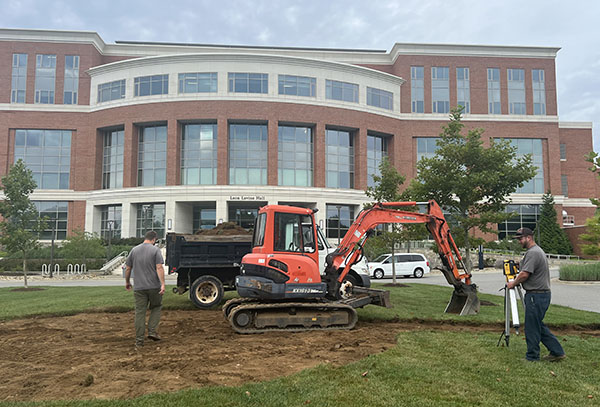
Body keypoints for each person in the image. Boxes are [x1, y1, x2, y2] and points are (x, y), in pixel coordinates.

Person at [507, 227, 565, 362]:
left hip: (536, 296)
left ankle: (532, 356)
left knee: (532, 327)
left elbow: (524, 274)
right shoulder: (534, 252)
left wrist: (513, 283)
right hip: (540, 295)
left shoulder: (533, 253)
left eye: (520, 239)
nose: (519, 241)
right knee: (537, 324)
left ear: (528, 237)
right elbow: (526, 267)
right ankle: (557, 352)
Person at [124, 230, 165, 347]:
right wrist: (162, 284)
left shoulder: (134, 250)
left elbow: (128, 268)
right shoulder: (155, 250)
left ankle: (139, 341)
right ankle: (152, 331)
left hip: (139, 287)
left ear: (145, 238)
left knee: (140, 312)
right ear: (154, 239)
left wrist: (127, 282)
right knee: (156, 307)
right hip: (154, 286)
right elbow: (159, 267)